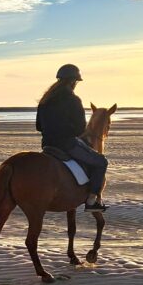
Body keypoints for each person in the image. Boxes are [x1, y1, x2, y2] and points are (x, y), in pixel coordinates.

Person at [35, 63, 108, 212]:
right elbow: (81, 128)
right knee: (101, 162)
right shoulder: (73, 100)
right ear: (73, 81)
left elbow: (38, 126)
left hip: (47, 145)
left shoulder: (45, 100)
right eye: (75, 82)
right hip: (67, 144)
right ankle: (92, 200)